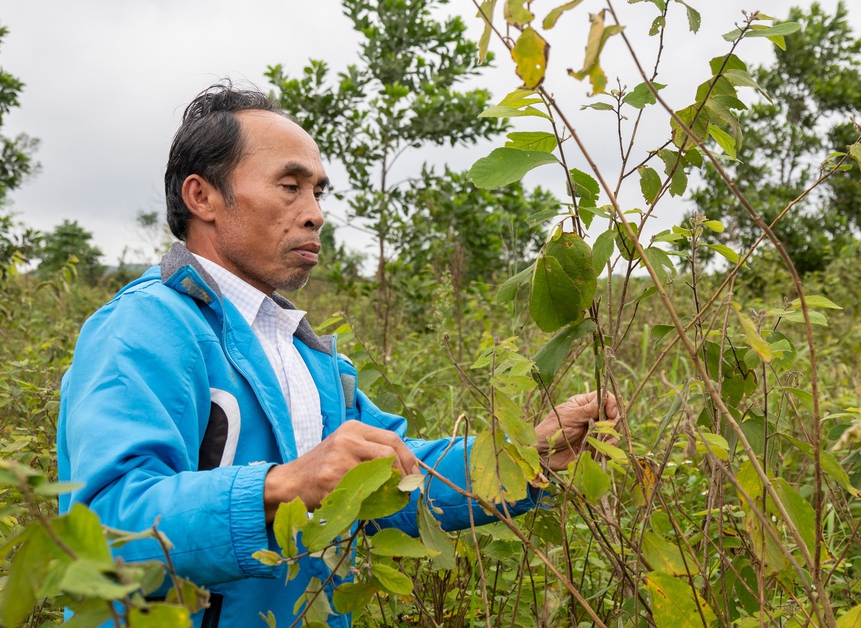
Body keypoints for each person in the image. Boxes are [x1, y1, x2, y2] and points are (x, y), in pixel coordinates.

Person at [56, 82, 619, 628]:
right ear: (202, 197)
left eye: (318, 192)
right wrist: (282, 487)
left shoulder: (311, 355)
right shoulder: (144, 327)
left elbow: (398, 474)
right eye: (289, 186)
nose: (315, 214)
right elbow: (104, 526)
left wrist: (528, 454)